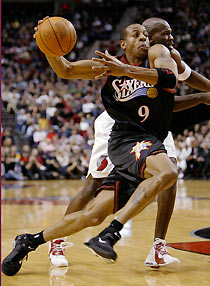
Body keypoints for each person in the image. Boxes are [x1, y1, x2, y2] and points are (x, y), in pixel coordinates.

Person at [2, 23, 210, 277]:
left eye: (146, 36)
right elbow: (65, 69)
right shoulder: (109, 65)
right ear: (123, 44)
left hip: (146, 139)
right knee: (166, 172)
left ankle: (30, 240)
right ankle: (111, 232)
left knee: (92, 215)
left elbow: (168, 82)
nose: (144, 40)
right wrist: (47, 47)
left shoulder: (157, 58)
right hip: (126, 139)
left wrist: (200, 97)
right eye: (137, 35)